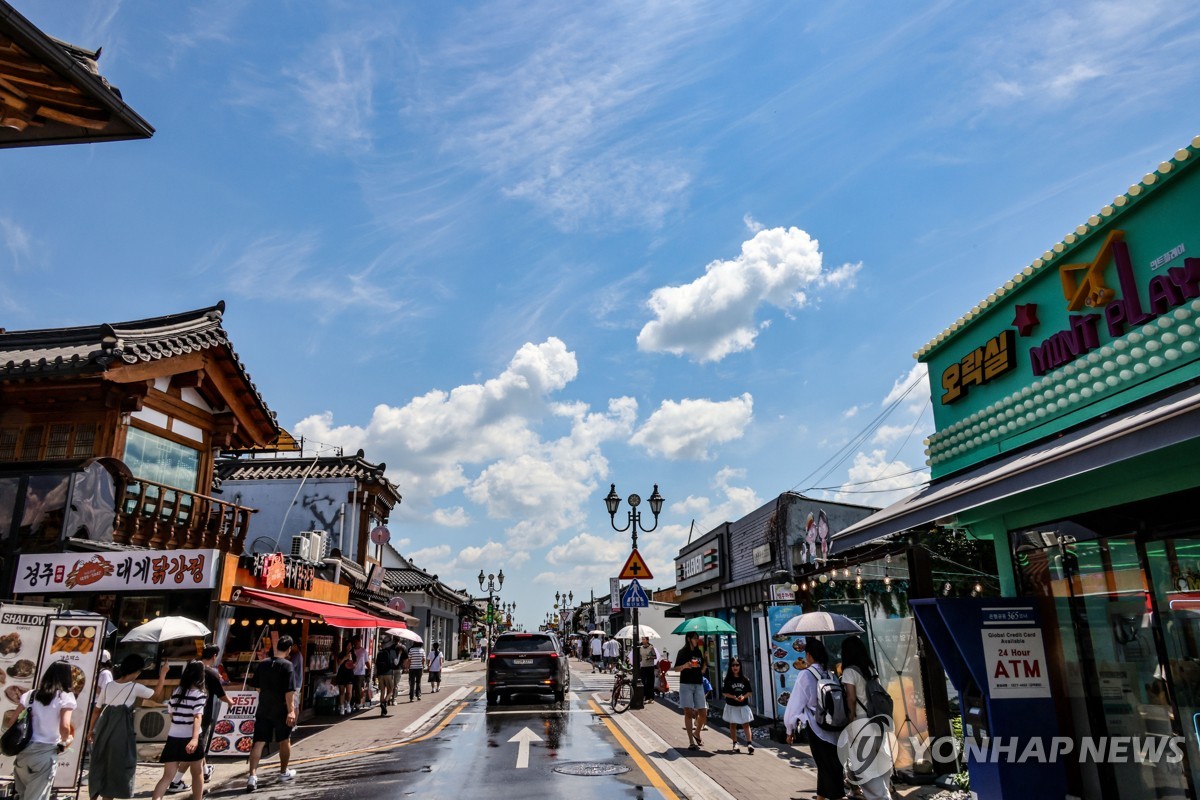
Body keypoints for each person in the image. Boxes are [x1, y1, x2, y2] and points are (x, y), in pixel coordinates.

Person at [88, 655, 168, 800]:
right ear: (136, 671)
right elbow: (156, 695)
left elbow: (96, 710)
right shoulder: (134, 687)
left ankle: (93, 796)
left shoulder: (108, 686)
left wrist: (90, 731)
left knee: (99, 765)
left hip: (102, 731)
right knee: (117, 766)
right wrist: (163, 674)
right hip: (121, 732)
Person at [784, 639, 845, 800]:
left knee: (824, 766)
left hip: (816, 725)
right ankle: (821, 796)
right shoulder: (830, 673)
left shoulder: (806, 674)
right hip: (834, 725)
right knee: (832, 763)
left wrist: (789, 729)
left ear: (809, 654)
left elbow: (795, 703)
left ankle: (837, 796)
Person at [840, 636, 895, 800]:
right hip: (877, 720)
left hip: (861, 722)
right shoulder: (870, 669)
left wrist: (850, 722)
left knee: (864, 766)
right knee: (880, 760)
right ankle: (885, 791)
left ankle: (882, 796)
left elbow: (851, 698)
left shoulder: (849, 671)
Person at [13, 661, 76, 800]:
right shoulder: (65, 697)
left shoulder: (30, 694)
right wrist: (65, 741)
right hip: (44, 754)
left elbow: (13, 720)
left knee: (23, 796)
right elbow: (65, 726)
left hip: (23, 753)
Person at [245, 636, 298, 792]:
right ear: (289, 649)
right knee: (284, 740)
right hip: (281, 709)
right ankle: (283, 772)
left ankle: (252, 776)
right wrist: (291, 711)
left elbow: (257, 687)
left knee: (259, 742)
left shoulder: (263, 664)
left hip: (264, 707)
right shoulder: (288, 666)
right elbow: (289, 692)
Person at [151, 660, 207, 800]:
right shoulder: (199, 694)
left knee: (167, 777)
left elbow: (171, 713)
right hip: (191, 736)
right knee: (197, 773)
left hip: (174, 736)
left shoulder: (176, 692)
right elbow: (197, 717)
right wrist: (194, 739)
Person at [194, 646, 231, 788]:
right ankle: (178, 778)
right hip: (204, 711)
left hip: (188, 712)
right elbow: (221, 694)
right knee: (199, 743)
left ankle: (205, 770)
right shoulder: (211, 672)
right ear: (214, 656)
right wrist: (230, 702)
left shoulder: (192, 668)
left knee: (198, 742)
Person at [674, 632, 708, 750]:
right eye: (694, 638)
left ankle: (697, 732)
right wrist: (684, 666)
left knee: (703, 712)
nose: (696, 640)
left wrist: (706, 662)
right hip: (686, 684)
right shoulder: (682, 652)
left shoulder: (698, 652)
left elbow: (702, 671)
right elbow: (676, 669)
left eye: (697, 638)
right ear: (689, 639)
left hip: (698, 684)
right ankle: (691, 741)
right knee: (688, 712)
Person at [721, 657, 755, 753]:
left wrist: (743, 697)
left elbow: (749, 692)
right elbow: (725, 693)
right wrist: (733, 697)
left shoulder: (745, 679)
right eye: (733, 665)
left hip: (743, 705)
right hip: (732, 705)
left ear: (740, 666)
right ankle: (735, 743)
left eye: (737, 665)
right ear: (730, 667)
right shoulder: (728, 680)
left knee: (746, 724)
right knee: (732, 724)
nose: (735, 667)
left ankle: (749, 743)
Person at [374, 638, 398, 715]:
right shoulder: (392, 652)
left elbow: (376, 664)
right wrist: (399, 654)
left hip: (380, 674)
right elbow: (396, 663)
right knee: (391, 690)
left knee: (382, 691)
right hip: (388, 673)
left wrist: (375, 674)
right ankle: (384, 702)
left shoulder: (379, 652)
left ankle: (382, 711)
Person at [335, 642, 355, 716]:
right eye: (348, 645)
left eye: (350, 645)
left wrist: (352, 662)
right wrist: (345, 658)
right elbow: (339, 663)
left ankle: (348, 703)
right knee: (342, 691)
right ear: (345, 646)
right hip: (342, 674)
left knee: (349, 692)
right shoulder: (341, 654)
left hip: (349, 674)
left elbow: (354, 665)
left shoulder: (353, 654)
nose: (349, 647)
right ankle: (342, 706)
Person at [637, 635, 658, 704]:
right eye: (642, 639)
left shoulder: (651, 647)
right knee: (643, 682)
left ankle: (651, 698)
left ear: (647, 640)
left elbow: (655, 656)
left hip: (650, 666)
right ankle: (645, 696)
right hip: (643, 666)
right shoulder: (640, 648)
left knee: (650, 682)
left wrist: (649, 657)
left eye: (644, 639)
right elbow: (640, 657)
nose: (642, 641)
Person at [350, 636, 369, 710]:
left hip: (360, 672)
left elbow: (366, 661)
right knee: (351, 688)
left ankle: (357, 703)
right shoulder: (351, 650)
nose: (356, 643)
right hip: (351, 672)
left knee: (358, 688)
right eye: (355, 641)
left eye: (357, 641)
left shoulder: (363, 651)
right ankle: (351, 703)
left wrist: (369, 669)